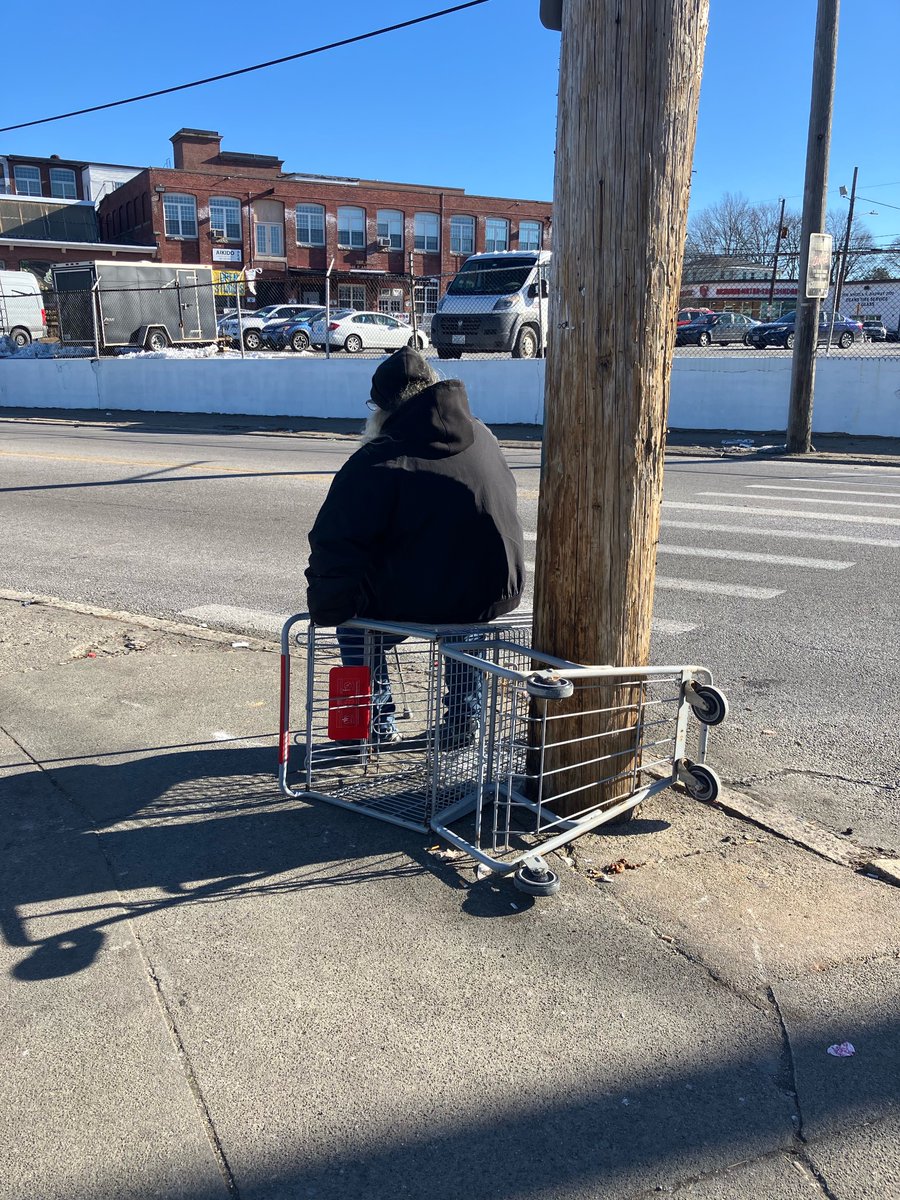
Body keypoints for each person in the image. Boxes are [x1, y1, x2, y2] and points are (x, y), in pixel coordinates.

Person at [305, 347, 526, 747]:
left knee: (357, 629)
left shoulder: (378, 458)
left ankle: (374, 724)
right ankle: (462, 724)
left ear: (381, 409)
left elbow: (335, 541)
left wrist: (330, 607)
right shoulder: (483, 435)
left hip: (431, 591)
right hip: (491, 589)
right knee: (464, 628)